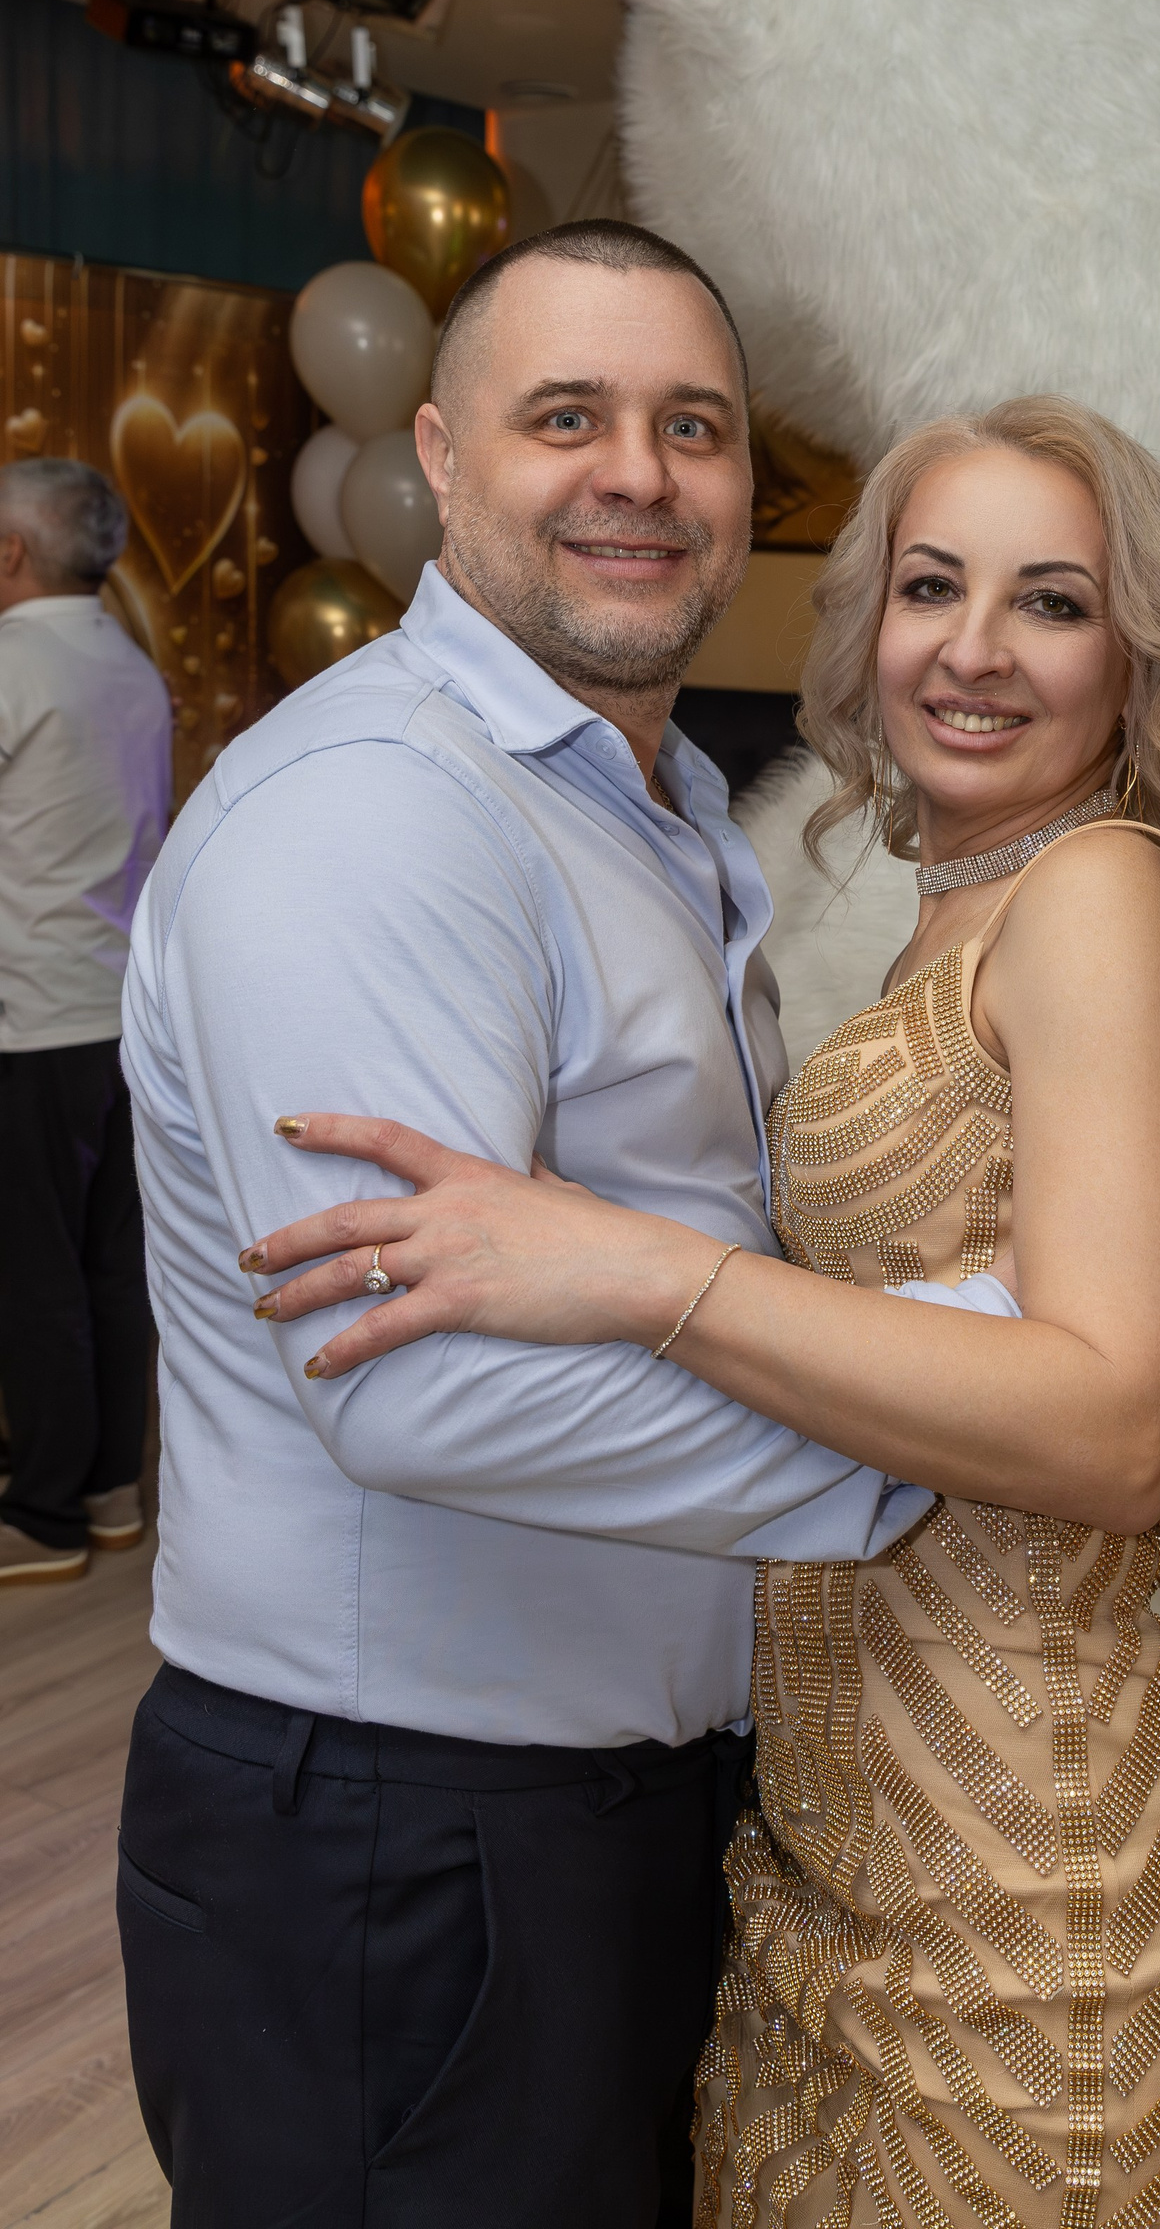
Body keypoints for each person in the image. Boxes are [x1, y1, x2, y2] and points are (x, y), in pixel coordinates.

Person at [250, 393, 1160, 2225]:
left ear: (1140, 658)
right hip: (859, 1834)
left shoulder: (1099, 898)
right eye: (931, 586)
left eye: (1053, 602)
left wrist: (633, 1267)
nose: (975, 649)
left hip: (1021, 1871)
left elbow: (1118, 1428)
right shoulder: (970, 911)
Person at [116, 222, 932, 2229]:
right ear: (438, 458)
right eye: (566, 417)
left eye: (693, 427)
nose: (638, 474)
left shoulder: (640, 803)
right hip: (399, 1844)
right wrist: (942, 1452)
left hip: (600, 1810)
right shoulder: (377, 813)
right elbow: (423, 1392)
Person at [0, 457, 171, 1586]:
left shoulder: (11, 661)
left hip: (30, 1015)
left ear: (13, 552)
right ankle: (110, 1489)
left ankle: (46, 1513)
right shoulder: (127, 660)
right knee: (110, 1267)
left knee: (34, 1275)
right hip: (120, 1012)